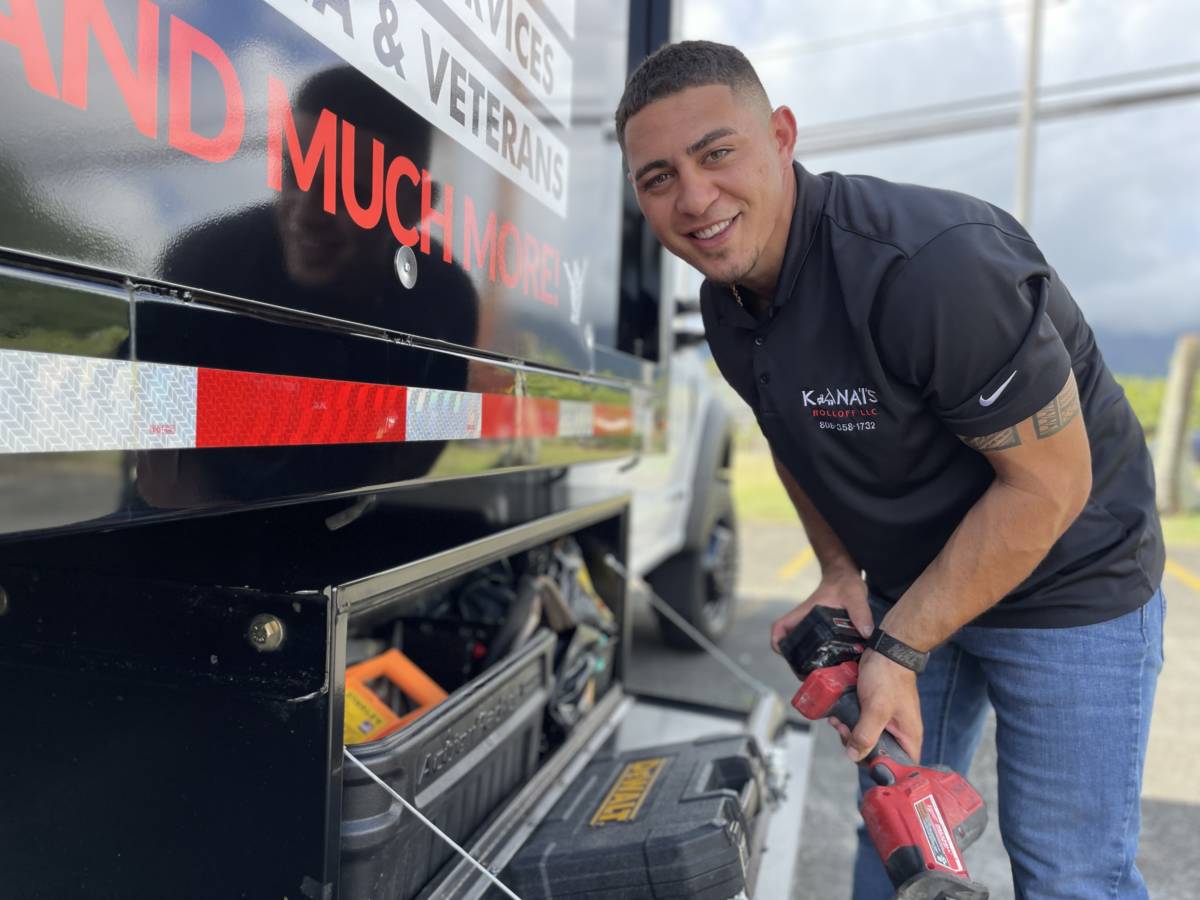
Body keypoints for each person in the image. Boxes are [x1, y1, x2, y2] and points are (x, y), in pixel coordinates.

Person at [615, 40, 1165, 899]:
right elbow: (791, 435)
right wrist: (839, 571)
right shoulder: (725, 307)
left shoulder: (931, 268)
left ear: (783, 135)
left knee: (1070, 874)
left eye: (717, 152)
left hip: (1071, 581)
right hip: (917, 585)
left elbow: (1051, 485)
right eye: (657, 177)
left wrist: (900, 649)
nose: (694, 198)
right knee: (903, 843)